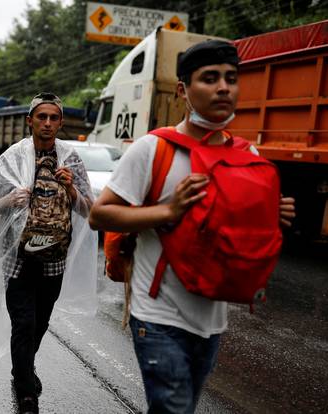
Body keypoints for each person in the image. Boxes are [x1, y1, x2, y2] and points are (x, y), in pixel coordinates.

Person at [89, 40, 296, 413]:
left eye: (231, 79)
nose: (223, 88)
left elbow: (235, 231)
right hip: (158, 316)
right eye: (210, 78)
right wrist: (168, 211)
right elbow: (100, 215)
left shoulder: (246, 156)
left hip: (212, 321)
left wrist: (271, 218)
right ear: (183, 90)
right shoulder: (153, 149)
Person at [0, 93, 95, 414]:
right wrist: (11, 199)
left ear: (60, 122)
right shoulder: (13, 158)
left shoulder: (70, 160)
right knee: (23, 324)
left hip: (54, 260)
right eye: (41, 117)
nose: (47, 123)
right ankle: (27, 391)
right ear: (30, 120)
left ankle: (22, 369)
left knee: (40, 323)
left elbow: (90, 211)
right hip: (18, 260)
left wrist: (71, 189)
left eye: (53, 118)